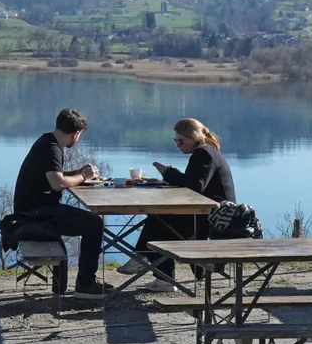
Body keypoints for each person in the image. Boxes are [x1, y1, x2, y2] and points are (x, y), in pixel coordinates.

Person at [119, 118, 235, 291]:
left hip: (214, 217)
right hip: (207, 212)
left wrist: (168, 173)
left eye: (181, 141)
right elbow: (193, 182)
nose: (178, 145)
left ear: (194, 137)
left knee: (159, 219)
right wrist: (173, 174)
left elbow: (195, 185)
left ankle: (149, 265)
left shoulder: (203, 153)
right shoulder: (206, 152)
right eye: (176, 141)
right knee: (158, 216)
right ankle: (150, 266)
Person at [13, 108, 109, 296]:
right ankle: (86, 284)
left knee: (92, 222)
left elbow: (52, 174)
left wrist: (77, 172)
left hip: (31, 211)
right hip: (36, 215)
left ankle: (86, 281)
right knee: (95, 224)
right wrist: (83, 176)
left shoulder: (47, 141)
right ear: (76, 133)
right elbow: (57, 184)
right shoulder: (51, 149)